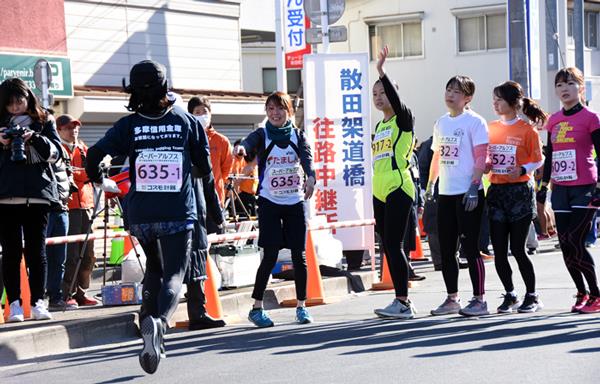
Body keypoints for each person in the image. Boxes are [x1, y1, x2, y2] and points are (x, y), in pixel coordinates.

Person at [85, 60, 212, 373]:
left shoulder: (129, 125)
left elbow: (93, 155)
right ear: (165, 86)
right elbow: (205, 167)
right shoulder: (186, 120)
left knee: (153, 268)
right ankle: (159, 324)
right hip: (178, 211)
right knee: (175, 274)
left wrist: (98, 179)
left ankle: (148, 322)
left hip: (141, 212)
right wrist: (182, 172)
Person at [235, 91, 316, 327]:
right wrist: (241, 149)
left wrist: (311, 177)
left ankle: (302, 306)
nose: (275, 113)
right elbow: (248, 143)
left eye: (280, 108)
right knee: (269, 255)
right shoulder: (262, 135)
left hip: (294, 202)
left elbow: (307, 160)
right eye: (270, 109)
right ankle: (256, 308)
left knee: (299, 256)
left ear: (288, 111)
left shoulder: (298, 136)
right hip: (270, 202)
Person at [537, 67, 600, 314]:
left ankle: (596, 294)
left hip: (585, 187)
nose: (564, 89)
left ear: (581, 88)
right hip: (561, 188)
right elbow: (550, 157)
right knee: (565, 244)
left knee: (576, 240)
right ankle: (582, 292)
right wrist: (543, 189)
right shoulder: (553, 120)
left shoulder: (591, 118)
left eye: (570, 84)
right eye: (559, 85)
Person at [426, 75, 489, 317]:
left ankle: (479, 299)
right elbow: (436, 156)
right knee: (447, 248)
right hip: (446, 192)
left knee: (471, 248)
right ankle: (452, 298)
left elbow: (481, 156)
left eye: (456, 91)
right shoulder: (441, 123)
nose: (450, 94)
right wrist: (431, 183)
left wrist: (475, 186)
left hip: (468, 193)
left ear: (468, 98)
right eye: (448, 89)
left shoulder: (475, 122)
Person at [0, 77, 61, 322]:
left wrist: (33, 137)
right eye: (9, 104)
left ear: (29, 98)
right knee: (11, 253)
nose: (15, 107)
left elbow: (57, 154)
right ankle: (14, 304)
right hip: (5, 196)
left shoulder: (44, 120)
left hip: (38, 195)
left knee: (37, 252)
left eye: (20, 101)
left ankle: (38, 303)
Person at [485, 80, 546, 314]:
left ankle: (532, 295)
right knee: (499, 250)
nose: (495, 103)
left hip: (519, 193)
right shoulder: (490, 127)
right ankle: (510, 294)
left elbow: (539, 159)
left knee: (518, 249)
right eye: (494, 99)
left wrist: (522, 169)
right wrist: (488, 164)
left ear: (513, 102)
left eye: (499, 99)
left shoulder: (526, 129)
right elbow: (486, 155)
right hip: (497, 191)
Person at [370, 46, 417, 319]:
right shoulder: (379, 127)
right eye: (375, 94)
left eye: (384, 92)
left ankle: (403, 301)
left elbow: (398, 103)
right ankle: (399, 300)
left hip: (399, 186)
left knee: (394, 244)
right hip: (379, 188)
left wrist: (381, 71)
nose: (379, 97)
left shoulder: (403, 119)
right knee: (387, 246)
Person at [56, 115, 97, 308]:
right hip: (68, 206)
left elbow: (92, 172)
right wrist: (83, 174)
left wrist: (80, 173)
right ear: (59, 130)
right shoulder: (57, 149)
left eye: (75, 127)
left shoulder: (82, 148)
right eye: (68, 128)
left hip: (86, 203)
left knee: (88, 253)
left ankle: (82, 292)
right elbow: (71, 173)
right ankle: (66, 293)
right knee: (71, 253)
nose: (73, 131)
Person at [46, 120, 77, 310]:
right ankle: (35, 297)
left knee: (59, 258)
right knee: (39, 257)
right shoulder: (34, 146)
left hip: (62, 207)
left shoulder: (63, 151)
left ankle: (55, 296)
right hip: (42, 208)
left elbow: (67, 176)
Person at [187, 96, 233, 217]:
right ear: (190, 115)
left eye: (205, 112)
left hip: (215, 196)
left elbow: (226, 169)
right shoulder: (185, 138)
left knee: (215, 233)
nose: (202, 115)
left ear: (211, 114)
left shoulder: (222, 140)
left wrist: (216, 183)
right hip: (191, 197)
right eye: (197, 112)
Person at [230, 138, 258, 218]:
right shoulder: (235, 161)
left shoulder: (250, 160)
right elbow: (235, 180)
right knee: (245, 220)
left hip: (252, 196)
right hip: (242, 197)